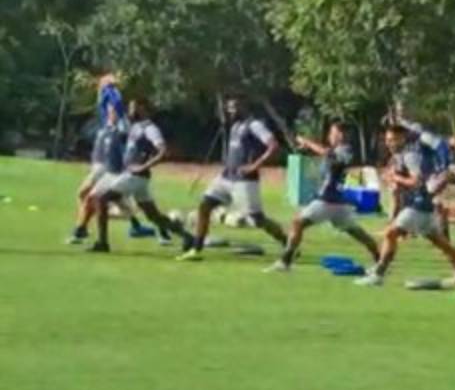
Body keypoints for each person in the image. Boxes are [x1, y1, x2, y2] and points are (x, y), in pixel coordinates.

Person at [356, 124, 455, 288]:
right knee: (442, 244)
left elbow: (416, 181)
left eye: (393, 139)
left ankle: (378, 274)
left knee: (391, 234)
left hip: (418, 203)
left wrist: (396, 178)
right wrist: (396, 180)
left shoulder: (410, 155)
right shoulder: (405, 154)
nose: (389, 143)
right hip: (424, 205)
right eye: (387, 140)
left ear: (403, 138)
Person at [177, 96, 289, 261]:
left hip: (244, 181)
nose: (230, 111)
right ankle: (196, 248)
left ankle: (288, 242)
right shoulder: (235, 126)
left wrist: (254, 166)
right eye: (228, 108)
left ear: (244, 107)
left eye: (233, 107)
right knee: (205, 206)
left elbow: (273, 145)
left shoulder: (254, 125)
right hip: (226, 178)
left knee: (257, 219)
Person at [264, 122, 380, 273]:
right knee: (357, 233)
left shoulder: (346, 149)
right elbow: (327, 157)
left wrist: (307, 142)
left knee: (297, 223)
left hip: (328, 200)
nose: (330, 136)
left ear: (340, 135)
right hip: (337, 203)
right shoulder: (336, 150)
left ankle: (285, 261)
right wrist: (306, 149)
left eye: (332, 133)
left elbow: (329, 155)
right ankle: (380, 259)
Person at [88, 99, 197, 253]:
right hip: (136, 177)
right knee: (153, 215)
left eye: (133, 108)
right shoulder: (135, 127)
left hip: (135, 176)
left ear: (143, 109)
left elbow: (163, 151)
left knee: (101, 199)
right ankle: (188, 237)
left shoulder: (150, 128)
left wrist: (144, 166)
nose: (130, 111)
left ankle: (102, 243)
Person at [67, 77, 154, 244]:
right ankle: (136, 226)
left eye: (112, 108)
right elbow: (103, 102)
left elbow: (117, 102)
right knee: (113, 199)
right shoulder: (106, 121)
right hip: (103, 166)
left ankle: (81, 230)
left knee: (86, 195)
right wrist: (103, 87)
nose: (110, 110)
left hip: (107, 167)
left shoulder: (121, 123)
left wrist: (110, 87)